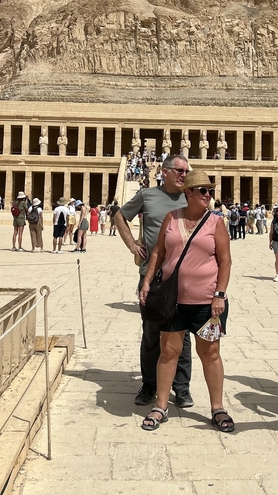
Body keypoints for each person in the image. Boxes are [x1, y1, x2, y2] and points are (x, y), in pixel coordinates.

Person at [138, 169, 233, 432]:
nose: (208, 195)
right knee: (168, 352)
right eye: (202, 190)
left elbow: (225, 261)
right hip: (173, 300)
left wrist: (220, 294)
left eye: (210, 191)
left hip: (206, 301)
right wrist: (147, 281)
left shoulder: (216, 222)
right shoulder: (171, 217)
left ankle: (217, 407)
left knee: (210, 353)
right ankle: (160, 405)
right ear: (187, 193)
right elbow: (158, 251)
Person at [115, 154, 195, 409]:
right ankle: (149, 385)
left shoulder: (191, 196)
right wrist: (131, 245)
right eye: (180, 170)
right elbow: (120, 216)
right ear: (166, 171)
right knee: (151, 332)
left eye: (187, 171)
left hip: (184, 277)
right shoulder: (147, 195)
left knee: (181, 335)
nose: (185, 175)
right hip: (152, 276)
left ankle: (181, 388)